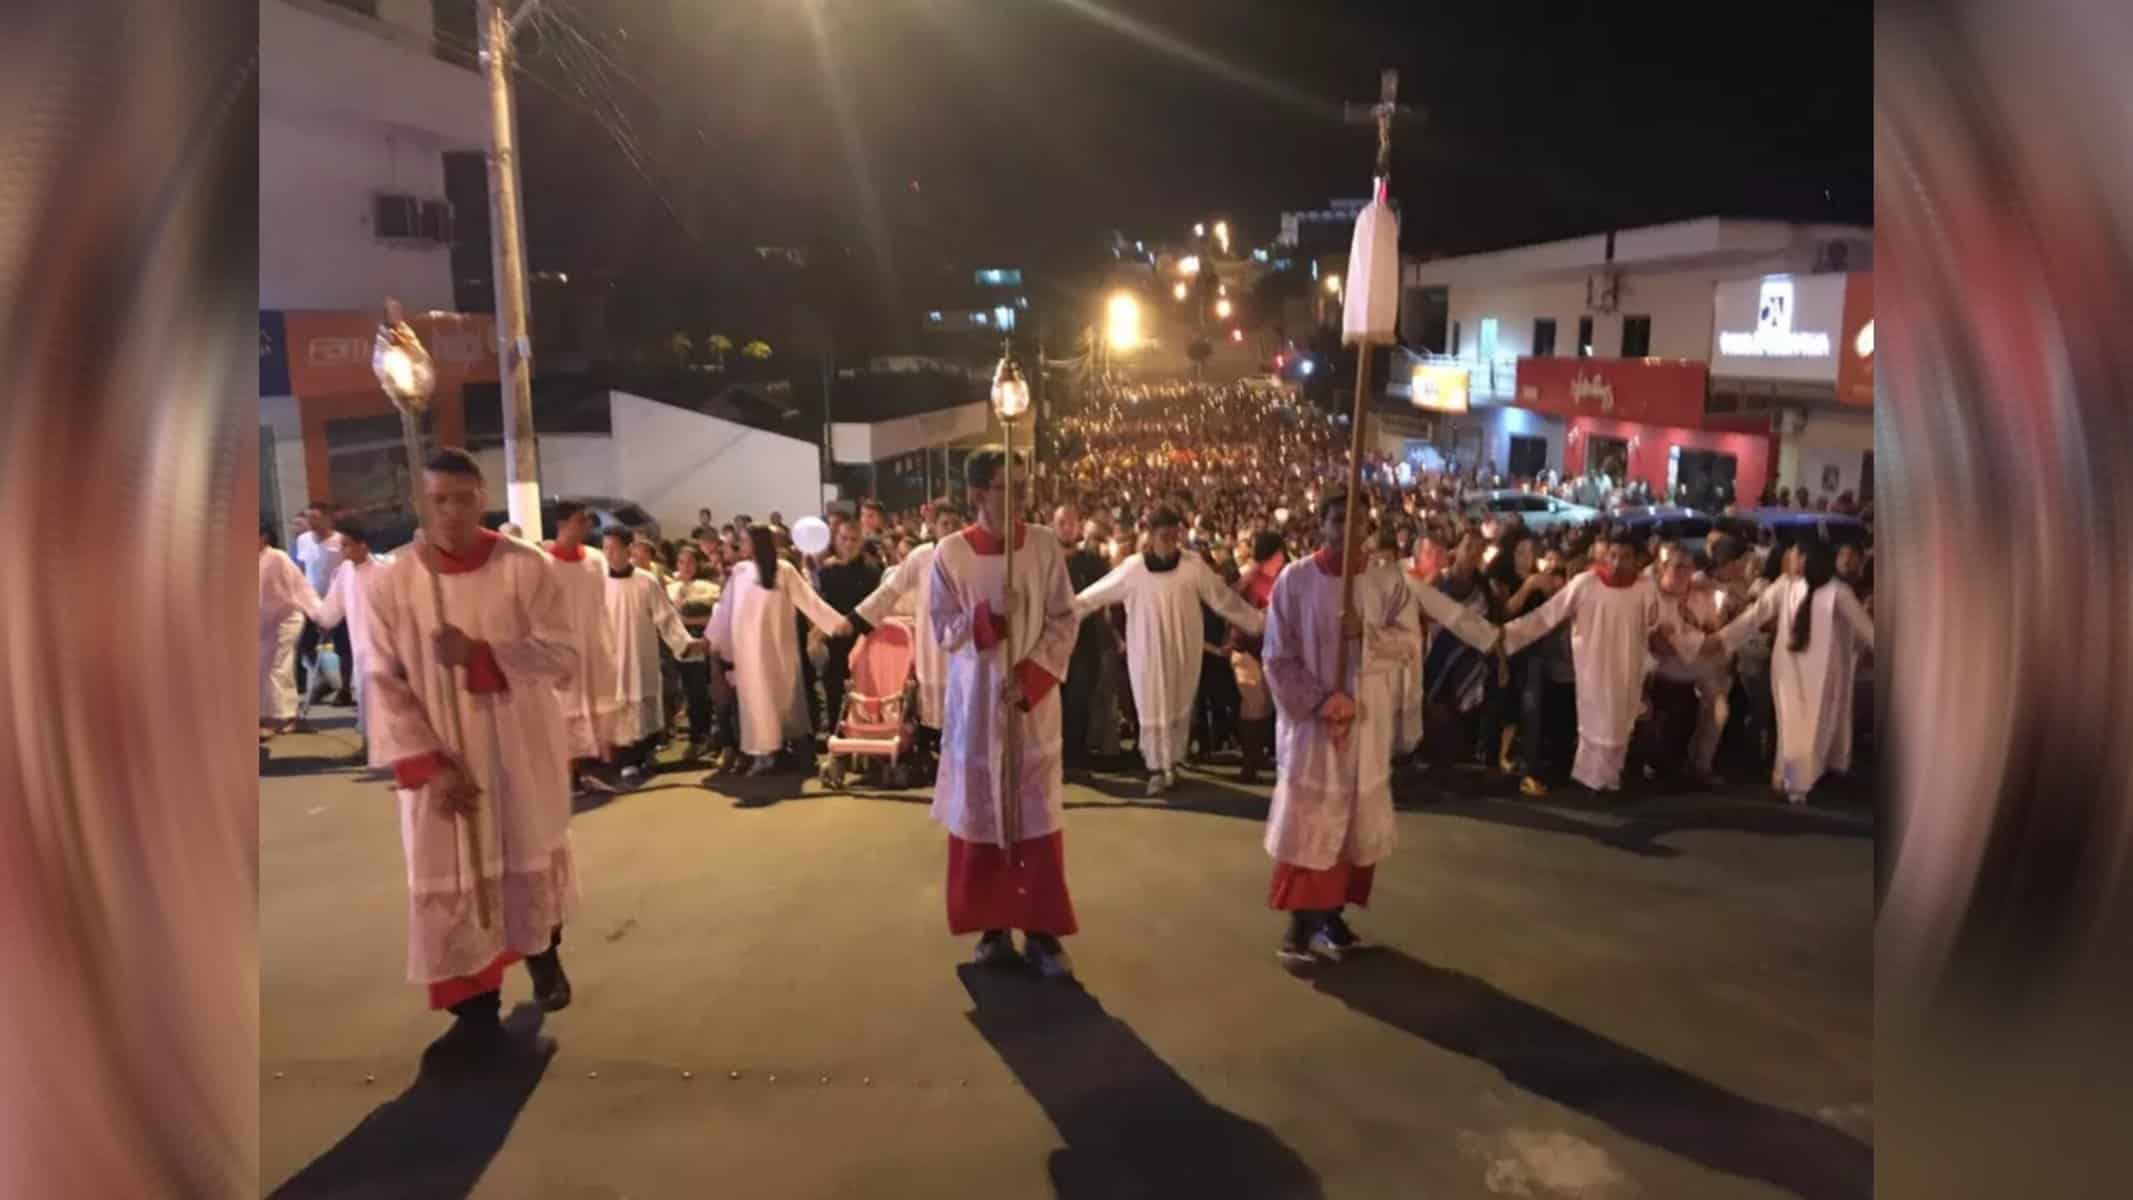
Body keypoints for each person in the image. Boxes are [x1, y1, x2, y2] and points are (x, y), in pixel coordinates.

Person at [360, 448, 580, 1043]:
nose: (452, 512)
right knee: (452, 875)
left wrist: (482, 656)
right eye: (438, 500)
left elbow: (563, 657)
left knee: (525, 860)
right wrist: (430, 763)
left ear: (482, 497)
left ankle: (543, 953)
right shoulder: (391, 581)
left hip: (517, 750)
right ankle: (475, 1009)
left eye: (463, 498)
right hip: (443, 763)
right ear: (420, 502)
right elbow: (379, 680)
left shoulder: (525, 567)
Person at [1260, 491, 1496, 970]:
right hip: (1314, 729)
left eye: (1357, 520)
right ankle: (1299, 928)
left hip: (1366, 723)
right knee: (1312, 825)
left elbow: (1410, 641)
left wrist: (1365, 637)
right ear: (1321, 524)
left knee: (1353, 826)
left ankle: (1333, 918)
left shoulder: (1387, 579)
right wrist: (1322, 701)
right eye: (1337, 519)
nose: (1347, 529)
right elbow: (1277, 657)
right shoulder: (1296, 580)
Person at [928, 448, 1081, 978]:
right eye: (1004, 487)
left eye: (1022, 485)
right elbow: (943, 628)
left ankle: (1040, 931)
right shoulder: (949, 554)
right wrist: (987, 620)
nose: (1018, 497)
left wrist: (1033, 677)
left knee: (1034, 815)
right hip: (977, 704)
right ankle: (993, 929)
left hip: (1030, 705)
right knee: (984, 813)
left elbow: (1065, 617)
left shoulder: (1041, 546)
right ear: (976, 494)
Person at [1073, 506, 1265, 796]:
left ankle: (1171, 763)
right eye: (1163, 536)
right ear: (1150, 536)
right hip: (1146, 651)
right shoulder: (1134, 568)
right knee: (1152, 704)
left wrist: (1259, 623)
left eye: (1174, 536)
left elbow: (1223, 600)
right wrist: (1064, 611)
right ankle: (1156, 767)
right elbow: (1094, 596)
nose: (1169, 542)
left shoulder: (1192, 566)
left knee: (1178, 700)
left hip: (1181, 647)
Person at [1501, 530, 1698, 795]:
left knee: (1619, 726)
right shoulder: (1585, 584)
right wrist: (1508, 634)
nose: (1617, 563)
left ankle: (1610, 782)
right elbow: (1548, 615)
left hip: (1627, 669)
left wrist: (1693, 642)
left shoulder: (1644, 589)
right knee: (1595, 724)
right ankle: (1590, 782)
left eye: (1625, 557)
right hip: (1592, 667)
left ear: (1636, 560)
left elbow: (1662, 626)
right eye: (1613, 556)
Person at [1706, 538, 1875, 804]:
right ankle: (1789, 778)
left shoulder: (1838, 592)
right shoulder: (1786, 586)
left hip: (1824, 678)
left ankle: (1802, 782)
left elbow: (1867, 631)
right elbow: (1756, 615)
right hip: (1788, 672)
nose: (1789, 558)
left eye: (1794, 553)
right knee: (1790, 725)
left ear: (1807, 558)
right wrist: (1721, 639)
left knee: (1814, 727)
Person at [705, 525, 849, 776]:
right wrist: (713, 640)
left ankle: (784, 749)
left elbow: (809, 601)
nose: (741, 545)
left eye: (745, 540)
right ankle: (763, 752)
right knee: (755, 700)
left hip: (778, 647)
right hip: (748, 651)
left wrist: (837, 623)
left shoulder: (784, 571)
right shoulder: (740, 572)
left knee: (782, 698)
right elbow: (726, 610)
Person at [853, 501, 964, 763]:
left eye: (955, 524)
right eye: (944, 524)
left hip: (960, 645)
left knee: (959, 705)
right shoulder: (921, 556)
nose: (949, 529)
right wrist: (859, 617)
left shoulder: (968, 555)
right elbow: (891, 589)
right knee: (929, 704)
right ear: (934, 527)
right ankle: (929, 756)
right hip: (929, 645)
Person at [600, 527, 702, 782]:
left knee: (642, 705)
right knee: (618, 707)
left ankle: (641, 755)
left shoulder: (646, 581)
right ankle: (625, 760)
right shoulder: (599, 582)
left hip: (640, 653)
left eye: (613, 548)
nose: (608, 554)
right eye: (605, 549)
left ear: (628, 549)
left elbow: (665, 617)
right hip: (611, 656)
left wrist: (684, 644)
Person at [542, 502, 623, 795]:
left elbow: (602, 601)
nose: (587, 525)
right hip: (561, 647)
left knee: (601, 707)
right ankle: (569, 776)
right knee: (567, 713)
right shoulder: (543, 562)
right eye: (580, 520)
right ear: (562, 524)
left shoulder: (595, 558)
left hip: (595, 642)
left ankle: (595, 769)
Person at [312, 518, 392, 764]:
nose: (342, 550)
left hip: (385, 647)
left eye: (347, 545)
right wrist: (322, 618)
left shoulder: (384, 571)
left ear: (363, 546)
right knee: (366, 698)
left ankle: (388, 749)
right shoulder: (344, 572)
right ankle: (369, 747)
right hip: (360, 645)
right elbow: (333, 606)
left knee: (385, 700)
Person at [815, 521, 884, 733]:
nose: (848, 544)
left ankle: (866, 737)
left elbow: (876, 607)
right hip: (834, 640)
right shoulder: (826, 572)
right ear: (835, 539)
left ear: (861, 541)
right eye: (844, 538)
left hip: (864, 640)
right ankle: (837, 740)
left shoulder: (873, 570)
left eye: (854, 539)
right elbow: (820, 605)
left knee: (865, 692)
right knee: (833, 690)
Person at [1230, 530, 1287, 783]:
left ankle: (1259, 755)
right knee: (1254, 705)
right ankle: (1249, 762)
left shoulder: (1279, 579)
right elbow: (1242, 620)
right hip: (1248, 652)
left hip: (1269, 651)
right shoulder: (1250, 581)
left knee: (1264, 707)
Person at [259, 522, 322, 737]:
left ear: (264, 537)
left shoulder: (278, 558)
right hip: (262, 624)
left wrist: (318, 614)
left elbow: (300, 587)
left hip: (286, 619)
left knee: (277, 666)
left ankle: (280, 717)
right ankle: (279, 713)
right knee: (263, 668)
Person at [293, 499, 354, 706]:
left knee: (343, 646)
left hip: (338, 601)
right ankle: (323, 679)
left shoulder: (340, 541)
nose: (311, 522)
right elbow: (302, 569)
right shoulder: (303, 540)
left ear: (328, 519)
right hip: (312, 601)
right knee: (304, 643)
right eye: (309, 518)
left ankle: (345, 689)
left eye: (316, 518)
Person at [669, 545, 723, 759]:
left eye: (690, 562)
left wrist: (688, 620)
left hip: (704, 642)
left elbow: (718, 616)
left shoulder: (709, 587)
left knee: (703, 691)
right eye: (681, 562)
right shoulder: (670, 588)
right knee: (687, 693)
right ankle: (695, 735)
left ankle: (708, 736)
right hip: (677, 645)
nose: (686, 567)